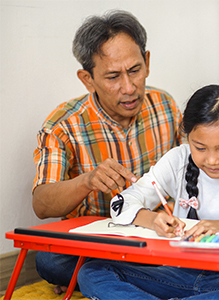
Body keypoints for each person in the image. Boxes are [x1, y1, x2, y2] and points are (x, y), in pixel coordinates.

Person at [76, 83, 219, 300]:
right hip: (176, 273)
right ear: (187, 138)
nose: (212, 160)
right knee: (92, 271)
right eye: (200, 148)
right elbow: (120, 204)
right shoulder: (178, 159)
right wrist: (153, 219)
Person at [32, 10, 182, 294]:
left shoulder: (165, 106)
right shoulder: (63, 126)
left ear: (147, 62)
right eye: (113, 76)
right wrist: (87, 181)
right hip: (99, 244)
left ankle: (107, 279)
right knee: (49, 260)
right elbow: (41, 204)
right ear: (87, 79)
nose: (129, 88)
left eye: (135, 70)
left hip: (158, 234)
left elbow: (196, 165)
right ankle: (148, 277)